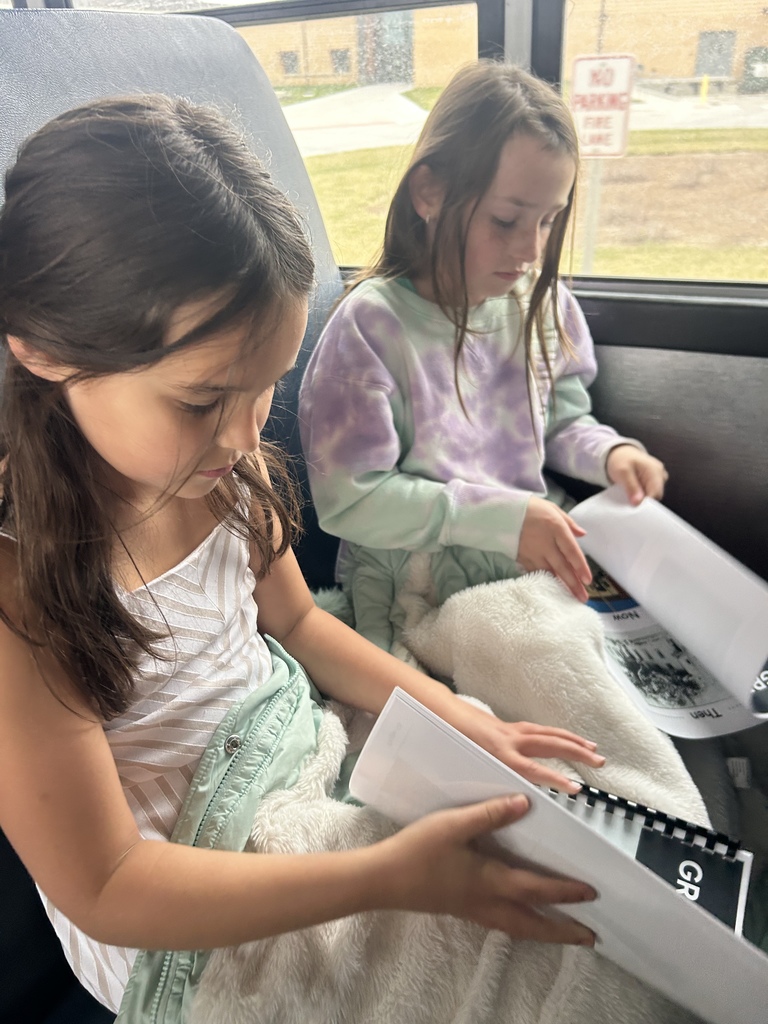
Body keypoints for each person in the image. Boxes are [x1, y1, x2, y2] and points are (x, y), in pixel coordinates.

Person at [0, 95, 608, 1016]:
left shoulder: (224, 481)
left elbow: (301, 625)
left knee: (555, 852)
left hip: (295, 753)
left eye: (268, 387)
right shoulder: (22, 595)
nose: (247, 437)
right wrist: (382, 875)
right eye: (203, 399)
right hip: (188, 897)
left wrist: (455, 718)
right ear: (45, 350)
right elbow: (108, 886)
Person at [299, 61, 668, 653]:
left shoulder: (543, 307)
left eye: (550, 221)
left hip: (526, 551)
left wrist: (612, 454)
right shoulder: (372, 327)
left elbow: (564, 422)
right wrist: (500, 518)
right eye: (506, 220)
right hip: (414, 576)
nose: (530, 249)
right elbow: (353, 499)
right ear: (430, 192)